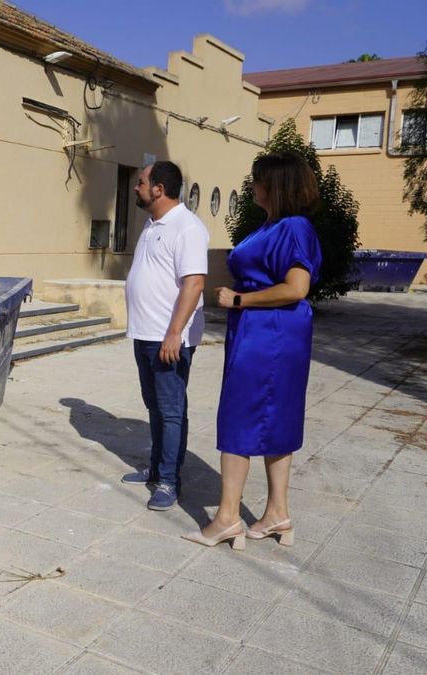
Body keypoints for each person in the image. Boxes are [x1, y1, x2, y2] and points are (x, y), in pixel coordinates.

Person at [182, 152, 323, 550]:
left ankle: (227, 518)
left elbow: (297, 288)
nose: (252, 185)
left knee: (239, 416)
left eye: (257, 179)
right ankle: (277, 513)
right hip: (269, 332)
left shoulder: (293, 227)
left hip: (268, 334)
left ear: (275, 185)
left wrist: (240, 299)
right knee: (276, 417)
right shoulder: (275, 225)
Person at [121, 161, 209, 511]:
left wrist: (174, 333)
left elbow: (194, 283)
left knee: (171, 410)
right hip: (145, 333)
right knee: (154, 406)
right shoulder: (152, 224)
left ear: (158, 189)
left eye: (141, 182)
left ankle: (169, 481)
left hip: (167, 337)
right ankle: (157, 468)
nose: (136, 187)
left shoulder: (187, 227)